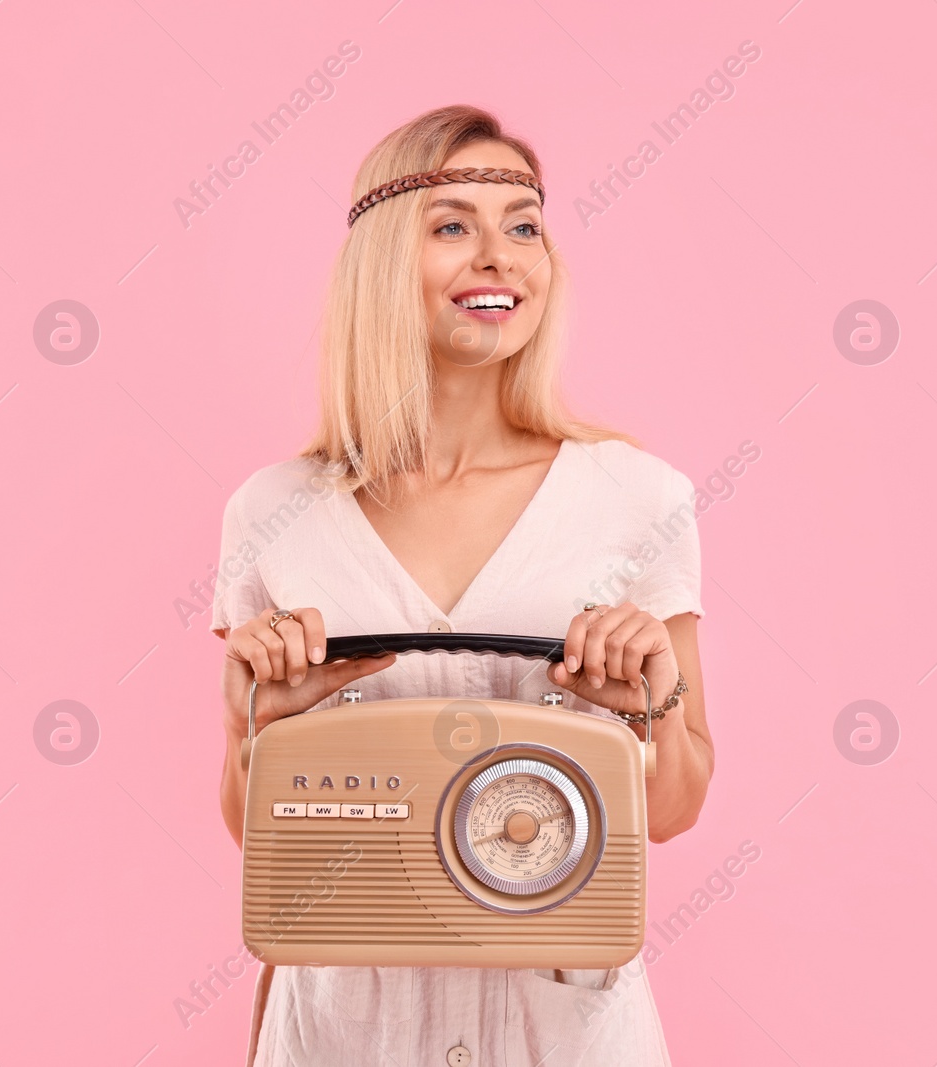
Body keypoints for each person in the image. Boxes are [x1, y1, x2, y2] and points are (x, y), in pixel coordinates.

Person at [211, 104, 713, 1066]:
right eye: (453, 226)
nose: (501, 257)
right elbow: (258, 833)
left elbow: (679, 804)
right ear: (383, 261)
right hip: (350, 1029)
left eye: (523, 226)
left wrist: (653, 705)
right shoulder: (273, 512)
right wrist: (254, 728)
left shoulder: (635, 496)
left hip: (560, 1029)